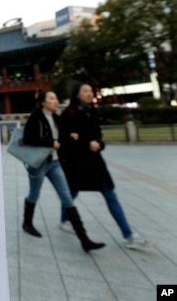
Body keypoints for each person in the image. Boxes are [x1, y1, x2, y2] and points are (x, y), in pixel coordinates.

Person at [59, 83, 154, 249]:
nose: (89, 94)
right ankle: (64, 219)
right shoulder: (69, 114)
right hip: (77, 163)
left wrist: (98, 144)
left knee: (109, 194)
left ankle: (129, 235)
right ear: (77, 94)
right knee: (72, 192)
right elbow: (66, 140)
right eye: (85, 91)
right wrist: (86, 144)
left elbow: (98, 135)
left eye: (91, 91)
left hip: (95, 162)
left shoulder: (92, 111)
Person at [21, 90, 105, 252]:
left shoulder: (57, 118)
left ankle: (84, 239)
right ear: (42, 102)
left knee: (67, 197)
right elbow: (28, 138)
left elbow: (63, 137)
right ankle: (27, 223)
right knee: (34, 194)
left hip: (55, 163)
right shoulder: (35, 118)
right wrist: (50, 142)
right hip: (39, 164)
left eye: (56, 98)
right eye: (52, 98)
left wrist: (72, 136)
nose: (55, 101)